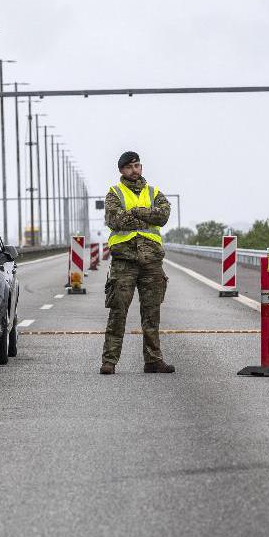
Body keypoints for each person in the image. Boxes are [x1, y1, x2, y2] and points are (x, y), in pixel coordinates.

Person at [100, 151, 173, 374]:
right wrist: (144, 215)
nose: (135, 170)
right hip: (125, 260)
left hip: (151, 260)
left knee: (151, 314)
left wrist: (135, 212)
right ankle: (109, 361)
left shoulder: (154, 192)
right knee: (118, 312)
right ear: (122, 170)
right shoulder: (114, 193)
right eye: (130, 166)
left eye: (138, 165)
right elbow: (114, 219)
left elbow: (163, 214)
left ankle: (153, 360)